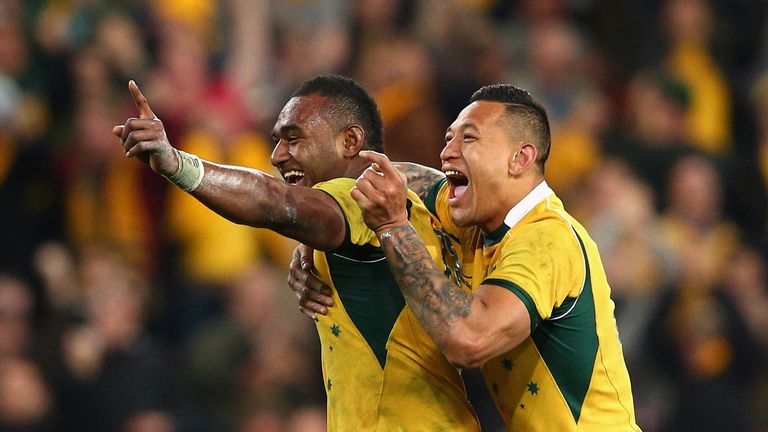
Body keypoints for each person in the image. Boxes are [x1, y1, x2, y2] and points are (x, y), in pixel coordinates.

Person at [113, 75, 480, 431]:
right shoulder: (405, 201)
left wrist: (178, 163)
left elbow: (275, 201)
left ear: (350, 141)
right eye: (276, 141)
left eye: (293, 138)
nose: (277, 156)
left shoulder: (360, 201)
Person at [293, 84, 640, 431]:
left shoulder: (546, 239)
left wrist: (392, 228)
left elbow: (470, 340)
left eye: (469, 139)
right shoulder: (480, 217)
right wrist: (317, 226)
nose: (447, 152)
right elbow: (404, 181)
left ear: (520, 158)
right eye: (448, 138)